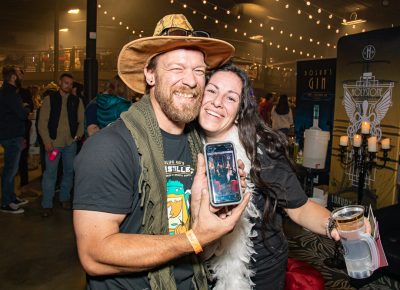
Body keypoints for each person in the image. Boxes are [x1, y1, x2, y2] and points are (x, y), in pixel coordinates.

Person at [73, 14, 249, 290]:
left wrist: (215, 211)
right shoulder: (109, 148)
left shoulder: (201, 145)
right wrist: (194, 238)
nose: (191, 81)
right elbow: (94, 254)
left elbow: (202, 239)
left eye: (199, 71)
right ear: (150, 74)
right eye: (177, 68)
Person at [198, 62, 371, 290]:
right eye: (212, 90)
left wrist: (334, 225)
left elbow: (299, 208)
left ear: (240, 112)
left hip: (258, 270)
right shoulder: (184, 143)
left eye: (230, 98)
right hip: (201, 270)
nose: (217, 102)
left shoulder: (260, 153)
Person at [38, 73, 84, 217]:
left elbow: (82, 120)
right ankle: (47, 204)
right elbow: (42, 123)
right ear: (60, 83)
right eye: (66, 83)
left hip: (70, 144)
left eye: (71, 84)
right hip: (53, 146)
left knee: (69, 171)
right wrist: (47, 142)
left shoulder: (76, 101)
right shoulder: (49, 99)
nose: (68, 86)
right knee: (50, 173)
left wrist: (78, 136)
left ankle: (64, 198)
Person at [0, 65, 30, 214]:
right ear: (13, 77)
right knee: (10, 171)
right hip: (11, 136)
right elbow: (21, 114)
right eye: (19, 73)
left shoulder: (7, 91)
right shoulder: (9, 93)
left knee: (11, 170)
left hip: (10, 135)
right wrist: (25, 108)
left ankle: (11, 197)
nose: (21, 76)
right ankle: (6, 202)